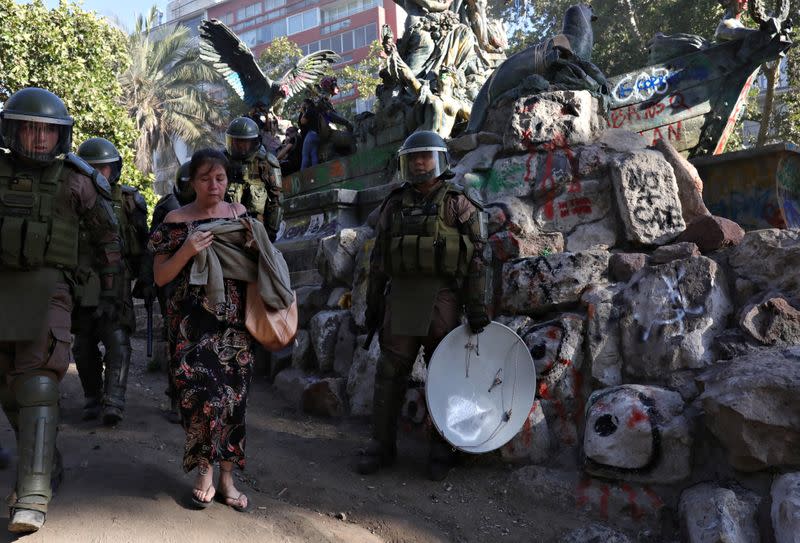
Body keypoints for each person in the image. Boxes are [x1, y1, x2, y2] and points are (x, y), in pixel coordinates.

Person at [0, 87, 122, 533]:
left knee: (35, 383)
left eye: (47, 131)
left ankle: (32, 494)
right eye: (30, 128)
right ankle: (46, 459)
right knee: (9, 388)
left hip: (50, 288)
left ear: (61, 137)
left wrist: (109, 294)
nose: (37, 138)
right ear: (12, 129)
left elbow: (108, 240)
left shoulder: (78, 179)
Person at [358, 130, 491, 481]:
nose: (419, 163)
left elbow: (477, 259)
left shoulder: (458, 202)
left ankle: (444, 446)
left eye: (425, 156)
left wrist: (476, 307)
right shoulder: (394, 204)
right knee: (389, 373)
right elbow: (379, 263)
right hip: (400, 297)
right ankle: (381, 445)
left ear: (439, 160)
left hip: (442, 298)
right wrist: (372, 308)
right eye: (413, 157)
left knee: (446, 374)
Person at [150, 149, 256, 512]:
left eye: (221, 178)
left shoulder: (241, 216)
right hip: (191, 327)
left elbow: (259, 266)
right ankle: (203, 473)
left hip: (235, 326)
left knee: (233, 403)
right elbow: (160, 276)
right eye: (206, 178)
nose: (214, 185)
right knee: (199, 400)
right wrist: (187, 250)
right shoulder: (175, 221)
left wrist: (256, 248)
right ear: (192, 182)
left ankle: (227, 479)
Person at [73, 137, 149, 425]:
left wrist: (146, 279)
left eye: (103, 169)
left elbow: (146, 244)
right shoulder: (71, 197)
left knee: (118, 340)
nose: (97, 175)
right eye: (91, 169)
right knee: (82, 344)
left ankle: (113, 401)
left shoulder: (129, 200)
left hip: (117, 282)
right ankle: (92, 397)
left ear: (114, 170)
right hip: (80, 283)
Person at [138, 161, 195, 424]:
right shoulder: (168, 208)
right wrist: (148, 282)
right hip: (172, 282)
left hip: (202, 283)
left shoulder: (218, 205)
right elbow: (153, 247)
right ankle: (176, 398)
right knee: (177, 342)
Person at [223, 117, 284, 242]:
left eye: (243, 143)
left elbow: (276, 199)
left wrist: (270, 233)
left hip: (256, 223)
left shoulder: (266, 162)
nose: (239, 146)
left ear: (254, 142)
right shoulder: (222, 160)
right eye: (236, 142)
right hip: (227, 222)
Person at [299, 98, 321, 169]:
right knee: (313, 155)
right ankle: (315, 171)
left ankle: (303, 174)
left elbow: (302, 121)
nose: (301, 105)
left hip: (310, 135)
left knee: (305, 155)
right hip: (317, 135)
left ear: (306, 104)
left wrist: (303, 112)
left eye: (302, 103)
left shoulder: (309, 111)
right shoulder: (316, 111)